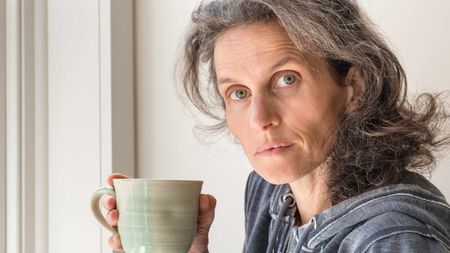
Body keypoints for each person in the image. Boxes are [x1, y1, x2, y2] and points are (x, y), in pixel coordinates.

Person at [102, 0, 450, 252]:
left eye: (286, 79)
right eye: (238, 92)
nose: (260, 119)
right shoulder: (270, 193)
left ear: (354, 88)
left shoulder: (393, 239)